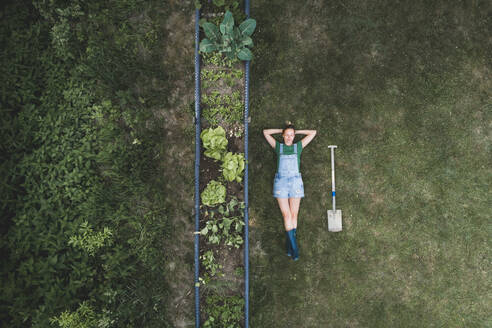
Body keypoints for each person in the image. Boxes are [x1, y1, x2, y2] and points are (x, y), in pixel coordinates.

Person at [263, 122, 317, 261]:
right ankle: (295, 249)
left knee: (294, 215)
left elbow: (313, 132)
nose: (289, 138)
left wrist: (296, 132)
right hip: (281, 182)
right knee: (287, 216)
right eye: (286, 135)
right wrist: (281, 130)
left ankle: (289, 247)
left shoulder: (298, 146)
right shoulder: (278, 147)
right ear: (283, 135)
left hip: (295, 182)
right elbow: (266, 132)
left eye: (291, 135)